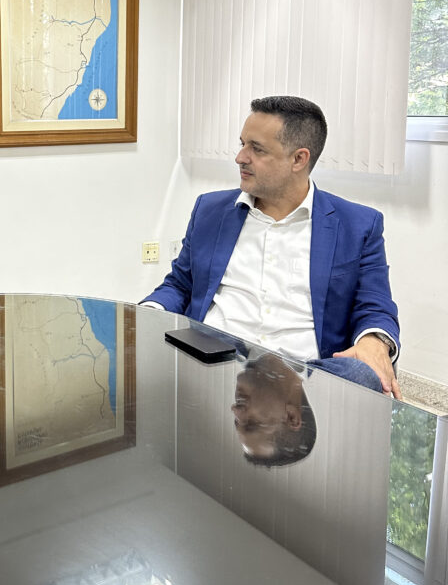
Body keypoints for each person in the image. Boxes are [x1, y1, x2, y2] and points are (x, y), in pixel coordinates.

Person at [143, 95, 402, 398]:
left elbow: (375, 305)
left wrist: (374, 341)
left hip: (305, 374)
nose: (240, 157)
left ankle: (280, 405)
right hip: (217, 360)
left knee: (359, 373)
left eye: (257, 149)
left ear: (299, 159)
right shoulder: (210, 209)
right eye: (242, 144)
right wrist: (147, 314)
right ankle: (269, 407)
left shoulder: (358, 225)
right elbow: (179, 284)